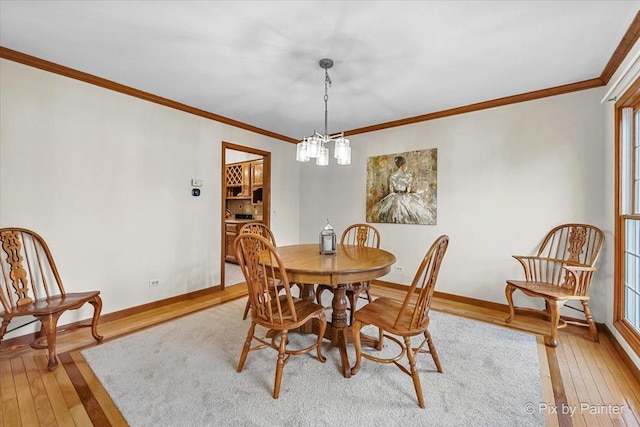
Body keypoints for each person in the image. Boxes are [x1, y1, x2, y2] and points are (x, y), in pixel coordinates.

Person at [370, 156, 434, 224]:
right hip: (405, 196)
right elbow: (408, 190)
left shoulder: (393, 175)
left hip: (394, 196)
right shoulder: (408, 175)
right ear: (404, 164)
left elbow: (391, 190)